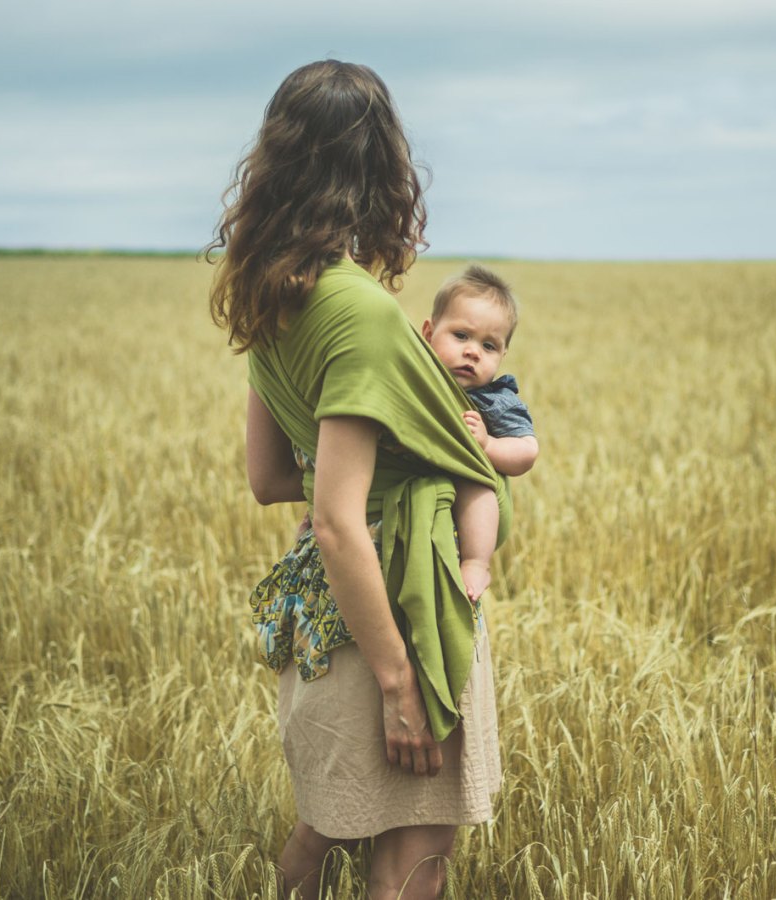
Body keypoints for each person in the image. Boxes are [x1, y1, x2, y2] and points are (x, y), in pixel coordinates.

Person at [206, 61, 509, 900]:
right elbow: (340, 521)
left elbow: (272, 479)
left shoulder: (273, 297)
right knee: (413, 860)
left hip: (323, 620)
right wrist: (400, 684)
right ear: (381, 168)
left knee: (325, 838)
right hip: (397, 616)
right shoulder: (367, 314)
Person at [421, 265, 539, 603]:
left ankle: (476, 562)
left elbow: (527, 450)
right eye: (461, 336)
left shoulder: (493, 400)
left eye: (489, 346)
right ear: (428, 333)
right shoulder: (415, 382)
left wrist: (488, 445)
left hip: (459, 498)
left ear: (502, 356)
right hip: (411, 489)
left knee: (476, 484)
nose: (473, 351)